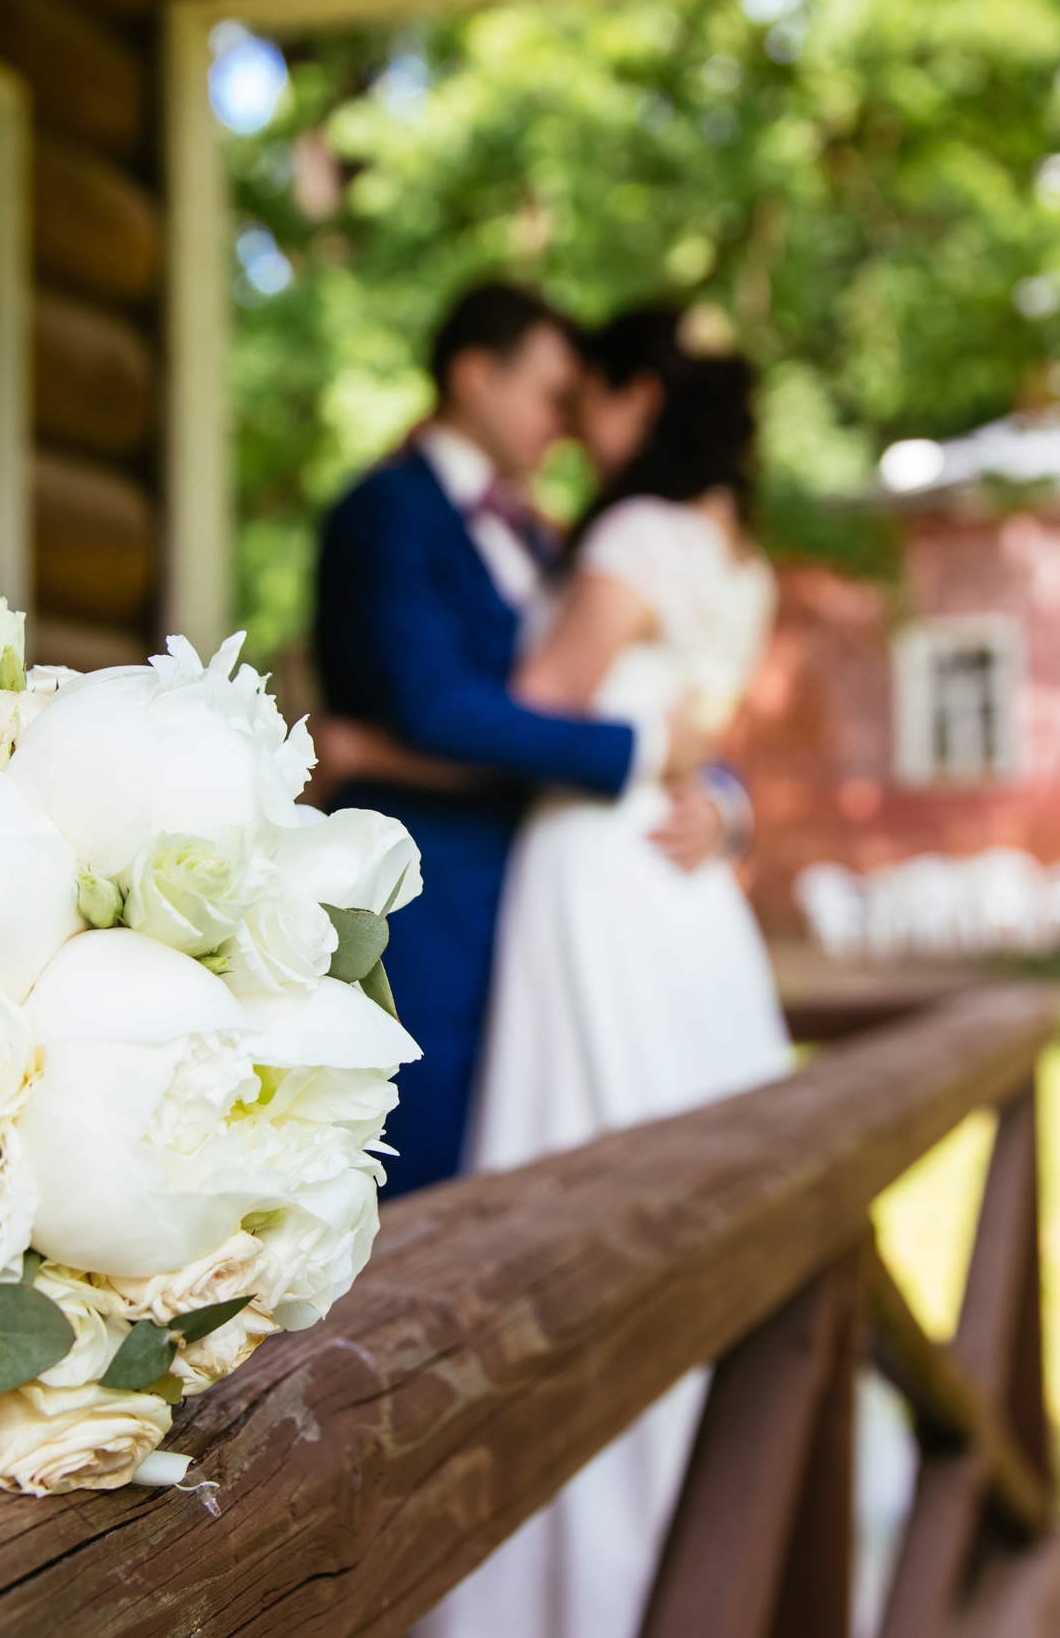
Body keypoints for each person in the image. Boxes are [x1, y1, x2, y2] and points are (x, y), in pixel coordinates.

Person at [420, 313, 794, 1638]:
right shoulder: (737, 555)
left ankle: (599, 1562)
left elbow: (543, 693)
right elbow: (695, 737)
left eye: (595, 402)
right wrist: (729, 803)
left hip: (595, 872)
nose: (574, 426)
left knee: (586, 1163)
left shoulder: (634, 539)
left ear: (646, 397)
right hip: (685, 897)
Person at [309, 284, 725, 1200]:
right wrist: (638, 754)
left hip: (550, 913)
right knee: (418, 1190)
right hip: (431, 912)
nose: (568, 424)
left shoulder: (545, 538)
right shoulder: (385, 511)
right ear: (473, 375)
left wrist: (723, 794)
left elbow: (630, 683)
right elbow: (435, 704)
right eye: (550, 394)